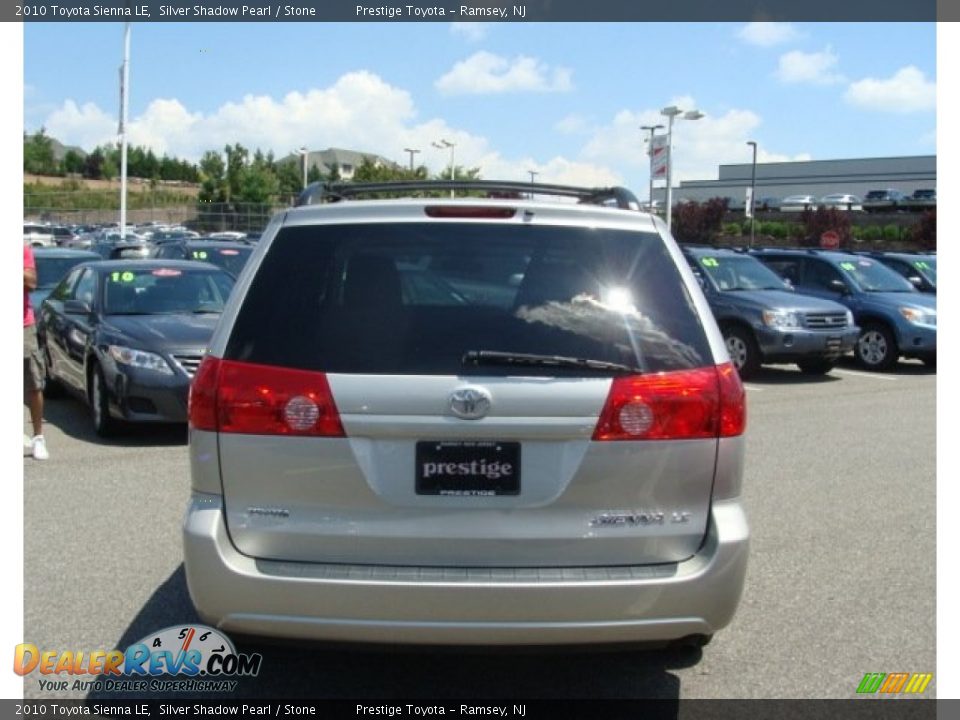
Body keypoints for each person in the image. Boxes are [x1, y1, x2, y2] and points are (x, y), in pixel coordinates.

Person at [24, 244, 49, 460]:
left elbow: (31, 283)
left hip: (22, 325)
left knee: (33, 383)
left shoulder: (21, 249)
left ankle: (38, 437)